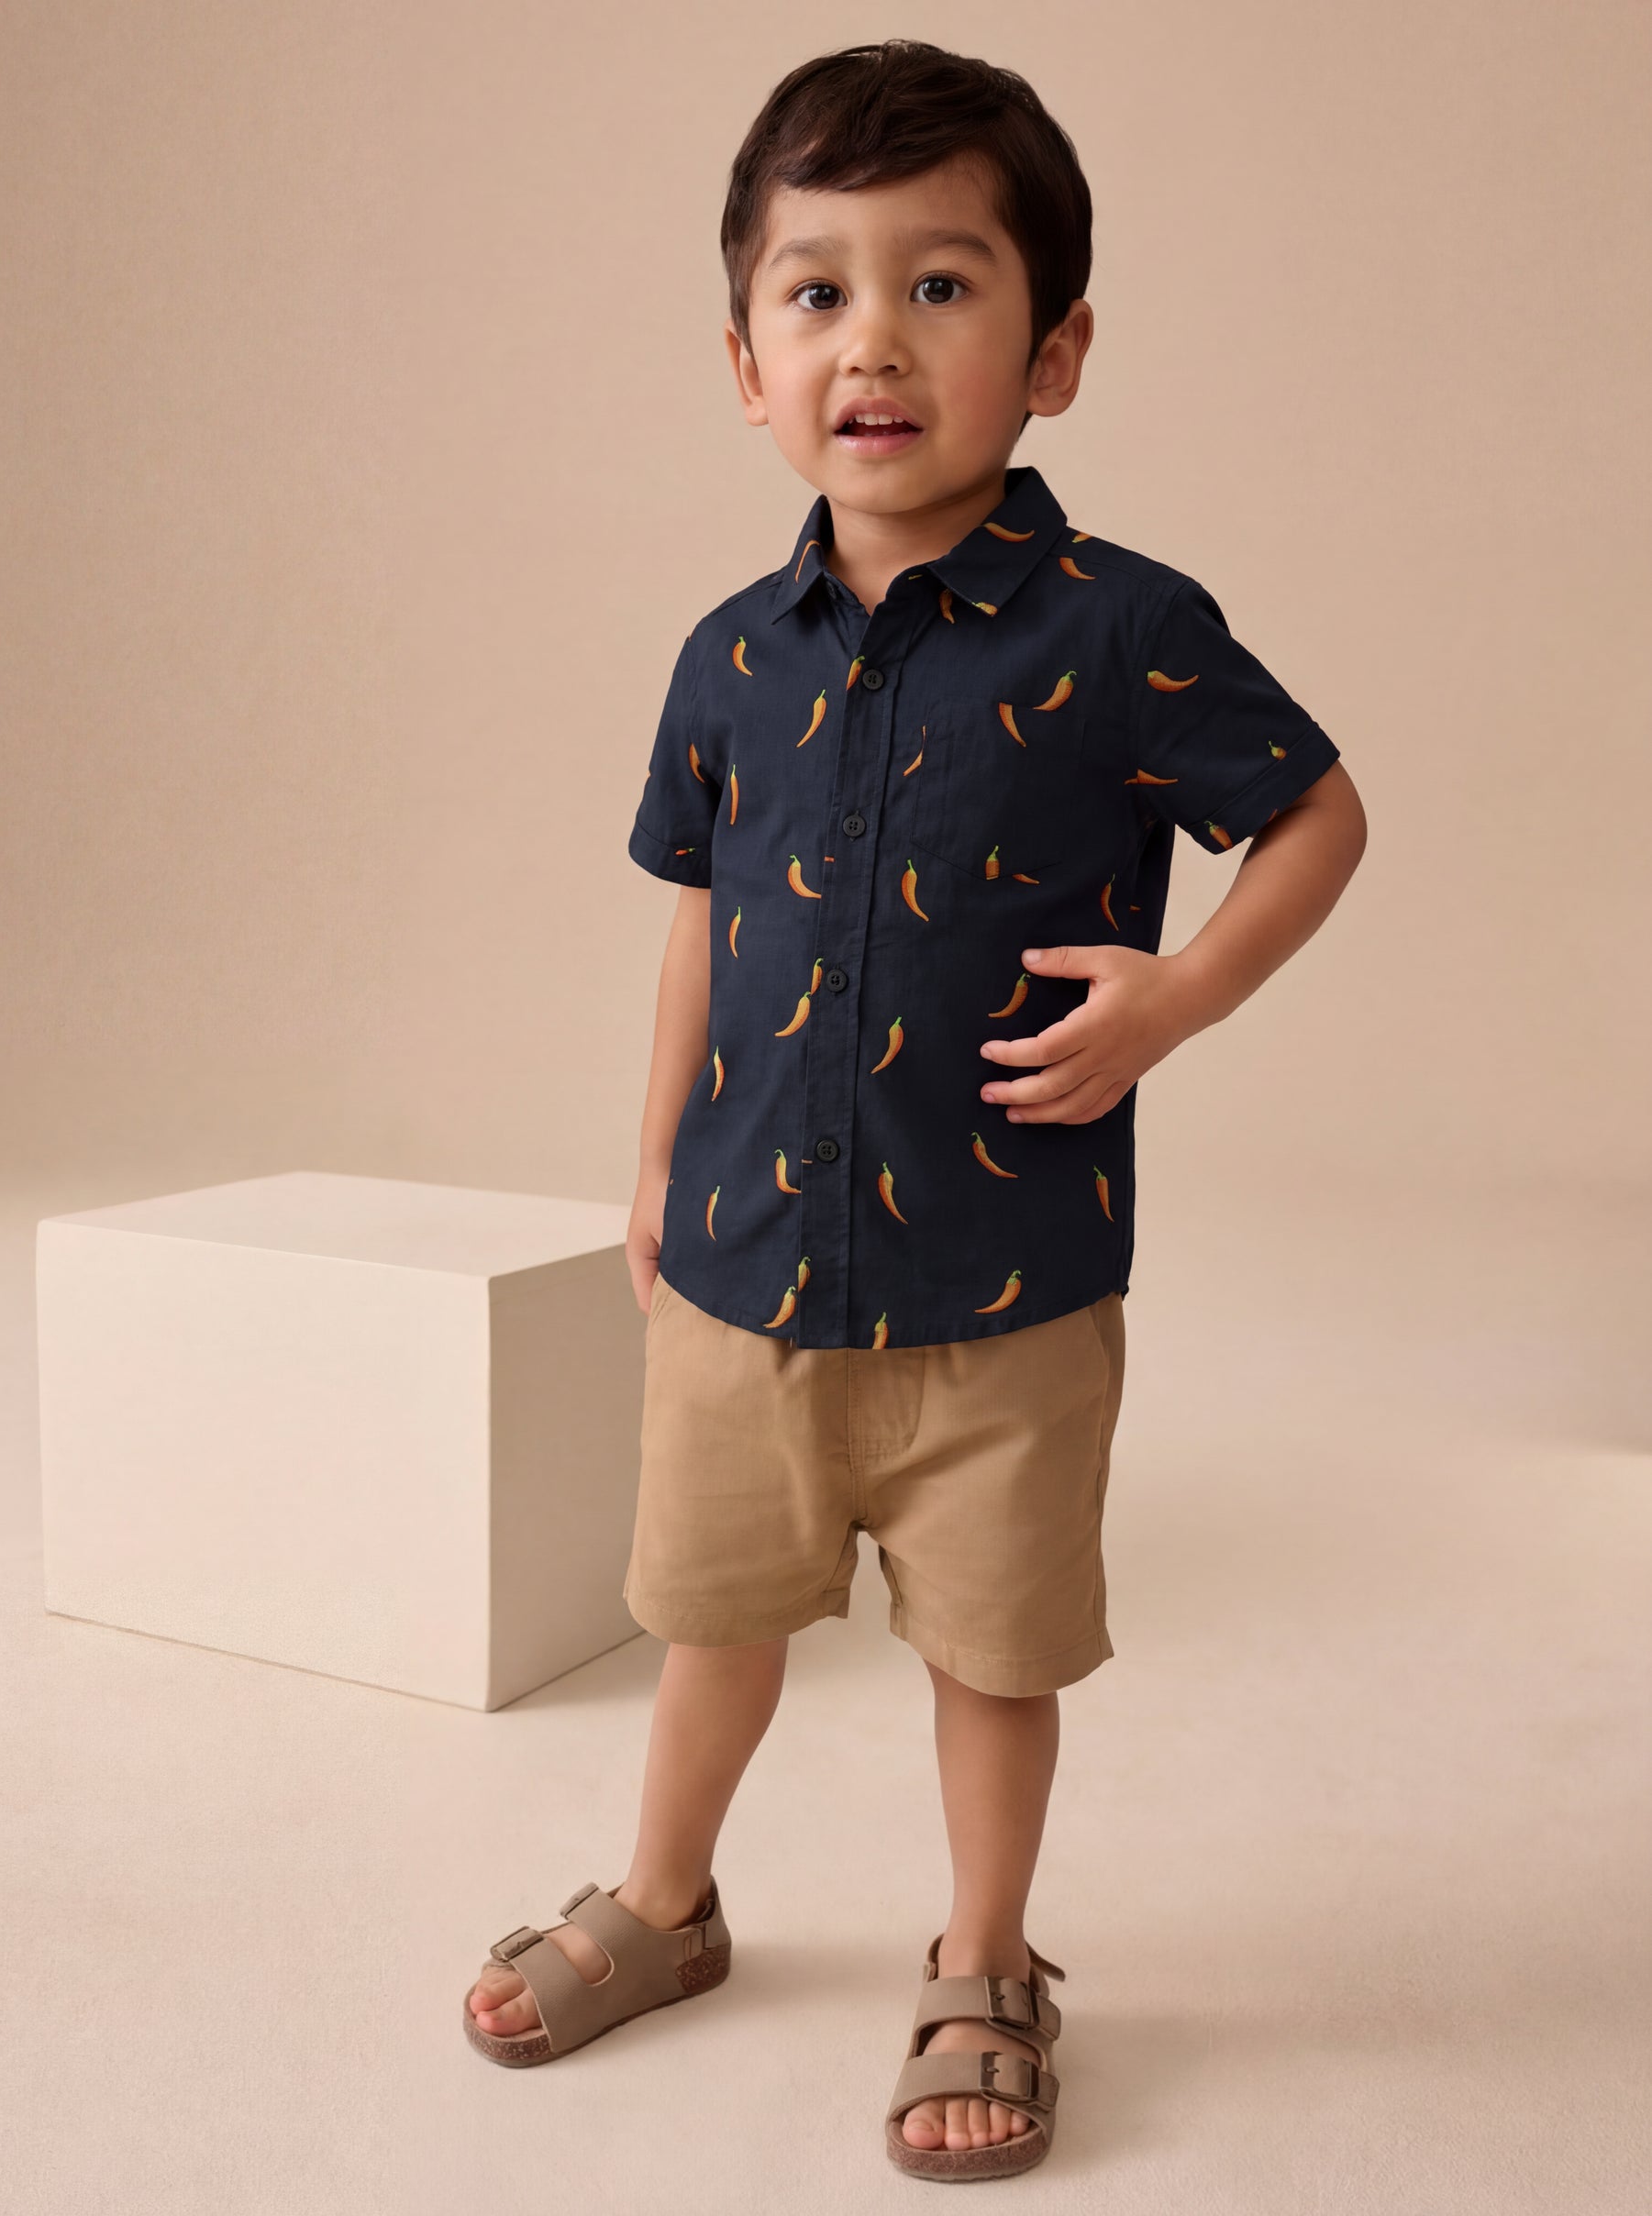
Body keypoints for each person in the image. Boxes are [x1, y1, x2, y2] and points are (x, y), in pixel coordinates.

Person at [466, 36, 1367, 2183]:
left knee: (988, 1655)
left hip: (1009, 1282)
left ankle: (985, 1956)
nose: (873, 339)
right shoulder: (727, 656)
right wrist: (655, 1157)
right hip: (747, 1270)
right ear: (744, 357)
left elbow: (1316, 814)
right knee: (713, 1622)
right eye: (818, 290)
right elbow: (696, 923)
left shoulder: (1121, 627)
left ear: (1052, 351)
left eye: (941, 287)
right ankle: (667, 1900)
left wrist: (1178, 997)